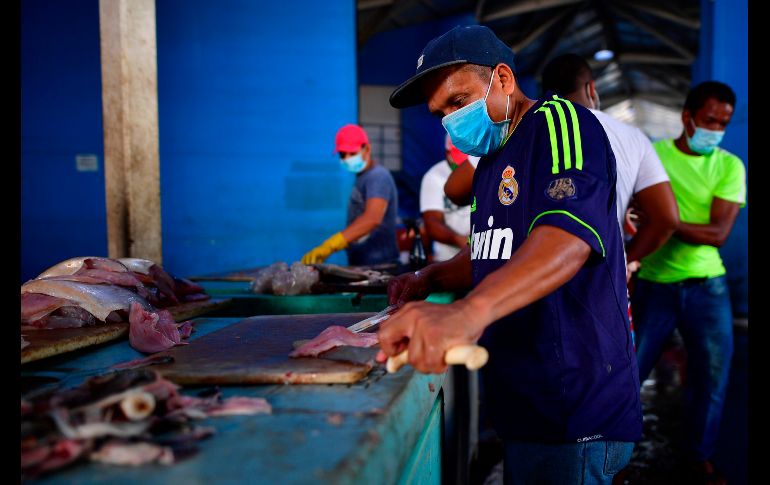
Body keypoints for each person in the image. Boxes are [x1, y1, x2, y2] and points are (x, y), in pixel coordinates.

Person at [377, 25, 641, 484]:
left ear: (502, 79)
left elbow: (566, 239)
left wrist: (467, 313)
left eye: (458, 102)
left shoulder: (561, 126)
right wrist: (432, 278)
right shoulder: (493, 158)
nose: (450, 121)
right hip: (525, 401)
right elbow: (491, 247)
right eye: (440, 113)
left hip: (572, 409)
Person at [631, 81, 746, 484]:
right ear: (687, 117)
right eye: (710, 119)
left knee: (712, 378)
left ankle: (699, 457)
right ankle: (616, 456)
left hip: (706, 287)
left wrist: (663, 219)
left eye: (724, 123)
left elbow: (717, 234)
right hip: (654, 283)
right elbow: (628, 209)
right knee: (627, 374)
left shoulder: (729, 166)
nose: (716, 128)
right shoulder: (653, 155)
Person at [541, 53, 680, 280]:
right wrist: (623, 257)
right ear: (591, 88)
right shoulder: (632, 137)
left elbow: (459, 188)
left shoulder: (528, 128)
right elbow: (666, 219)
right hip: (601, 273)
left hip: (535, 272)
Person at [301, 124, 399, 266]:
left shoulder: (378, 176)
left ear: (367, 149)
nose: (347, 158)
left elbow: (372, 218)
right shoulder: (362, 176)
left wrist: (330, 245)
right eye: (342, 154)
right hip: (363, 263)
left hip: (380, 265)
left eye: (352, 153)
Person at [419, 134, 475, 262]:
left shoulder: (481, 167)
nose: (461, 164)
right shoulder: (434, 176)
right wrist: (459, 239)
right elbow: (431, 222)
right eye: (457, 156)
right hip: (447, 257)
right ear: (446, 152)